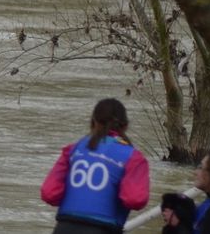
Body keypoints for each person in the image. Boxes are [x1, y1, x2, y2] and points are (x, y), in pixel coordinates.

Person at [41, 98, 150, 233]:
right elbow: (135, 199)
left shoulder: (73, 149)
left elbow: (49, 193)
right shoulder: (133, 157)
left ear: (93, 122)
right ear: (125, 126)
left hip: (64, 227)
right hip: (103, 228)